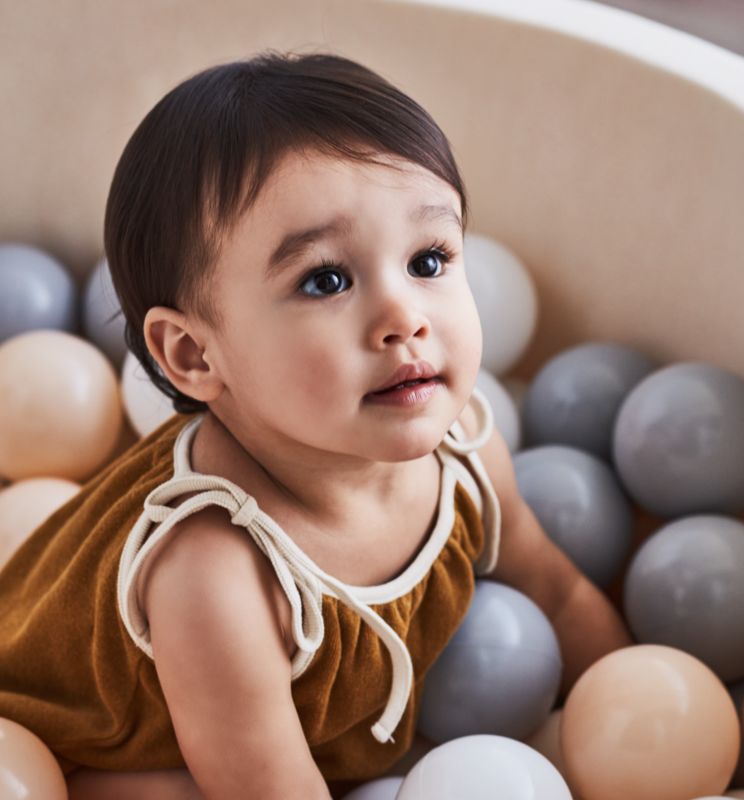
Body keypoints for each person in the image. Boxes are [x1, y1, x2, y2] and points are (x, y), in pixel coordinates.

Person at [0, 50, 632, 799]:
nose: (405, 317)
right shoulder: (217, 570)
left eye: (429, 259)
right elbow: (266, 786)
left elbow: (556, 596)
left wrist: (628, 709)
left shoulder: (464, 447)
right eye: (325, 280)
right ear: (196, 354)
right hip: (90, 752)